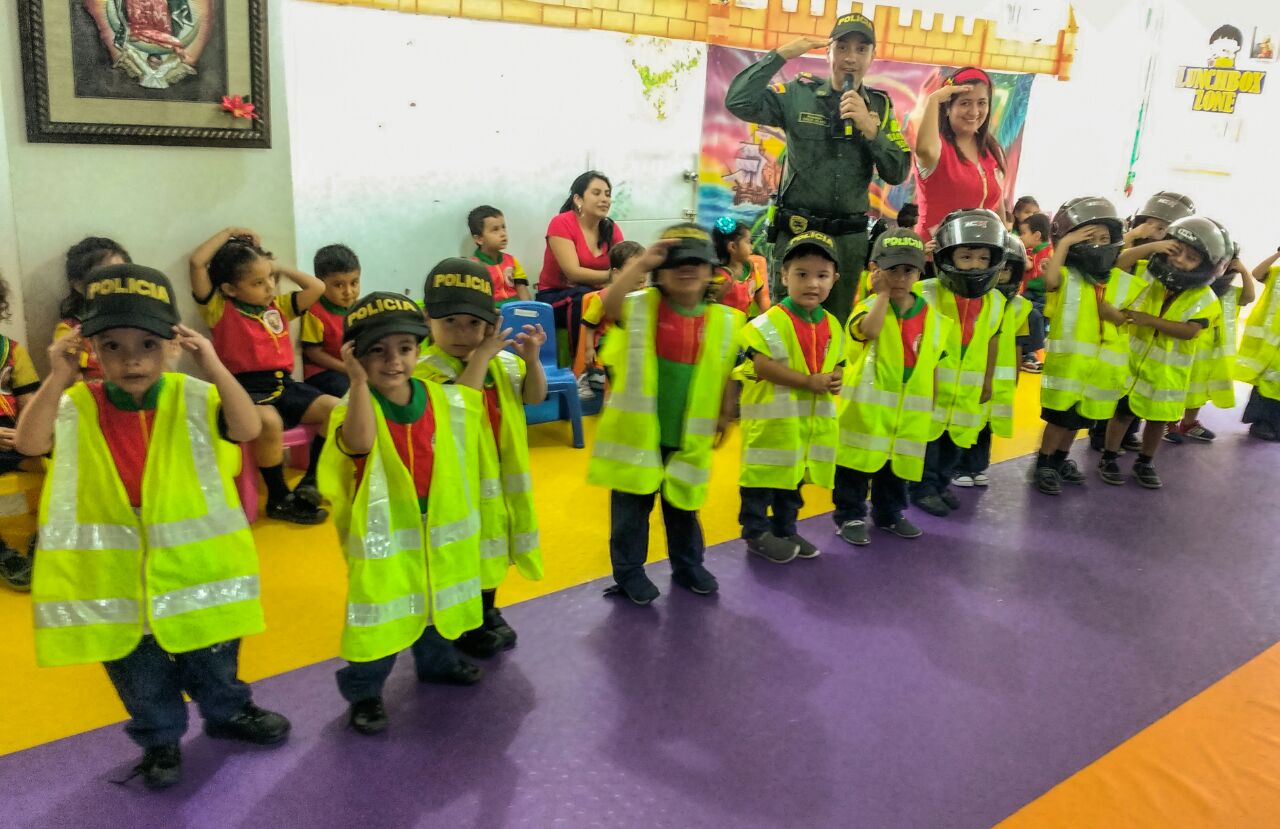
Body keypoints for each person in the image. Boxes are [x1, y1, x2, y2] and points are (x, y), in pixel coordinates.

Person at [17, 265, 289, 789]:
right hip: (118, 580)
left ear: (171, 344)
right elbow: (30, 444)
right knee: (140, 679)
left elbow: (249, 427)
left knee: (215, 661)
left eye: (147, 344)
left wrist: (210, 360)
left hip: (196, 574)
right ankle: (160, 742)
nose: (131, 358)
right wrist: (57, 376)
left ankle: (230, 714)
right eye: (112, 346)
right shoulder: (74, 404)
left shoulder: (194, 396)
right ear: (90, 348)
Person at [317, 292, 496, 736]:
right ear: (356, 357)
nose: (393, 361)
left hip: (437, 531)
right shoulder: (353, 405)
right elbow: (358, 443)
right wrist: (357, 383)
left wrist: (486, 354)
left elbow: (467, 398)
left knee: (439, 608)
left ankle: (437, 664)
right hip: (387, 541)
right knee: (380, 621)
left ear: (419, 351)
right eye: (376, 351)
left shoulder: (438, 397)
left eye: (404, 349)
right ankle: (364, 692)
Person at [587, 224, 744, 605]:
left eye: (697, 262)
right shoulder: (641, 307)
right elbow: (608, 306)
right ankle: (628, 574)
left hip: (688, 437)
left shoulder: (724, 321)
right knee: (629, 516)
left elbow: (726, 371)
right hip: (637, 437)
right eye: (676, 263)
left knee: (684, 508)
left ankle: (688, 565)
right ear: (659, 272)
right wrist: (642, 260)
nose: (687, 269)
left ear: (712, 271)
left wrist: (725, 413)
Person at [725, 12, 912, 322]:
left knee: (834, 328)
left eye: (861, 49)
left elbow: (898, 171)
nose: (851, 58)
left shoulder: (880, 106)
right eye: (842, 47)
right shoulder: (799, 95)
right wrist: (782, 55)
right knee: (788, 326)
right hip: (798, 230)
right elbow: (738, 101)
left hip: (847, 241)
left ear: (873, 56)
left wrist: (871, 130)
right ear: (828, 52)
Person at [415, 258, 546, 659]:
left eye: (472, 324)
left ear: (489, 323)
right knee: (462, 557)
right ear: (427, 319)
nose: (460, 333)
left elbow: (534, 397)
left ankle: (487, 610)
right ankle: (465, 624)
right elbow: (460, 406)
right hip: (457, 490)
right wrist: (480, 358)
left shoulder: (503, 363)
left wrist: (533, 360)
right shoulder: (424, 372)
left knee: (494, 552)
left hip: (499, 487)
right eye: (449, 321)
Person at [190, 227, 339, 524]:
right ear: (231, 288)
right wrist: (230, 232)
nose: (269, 286)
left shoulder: (278, 307)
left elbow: (317, 288)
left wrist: (276, 266)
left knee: (337, 409)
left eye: (270, 279)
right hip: (245, 390)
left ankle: (311, 479)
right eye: (258, 282)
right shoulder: (219, 308)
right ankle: (279, 497)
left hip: (285, 386)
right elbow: (197, 263)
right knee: (268, 422)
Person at [735, 231, 843, 563]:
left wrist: (836, 379)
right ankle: (756, 533)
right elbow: (764, 367)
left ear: (835, 279)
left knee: (792, 485)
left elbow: (838, 363)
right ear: (784, 275)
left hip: (804, 430)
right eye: (802, 274)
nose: (813, 283)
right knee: (760, 485)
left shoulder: (833, 325)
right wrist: (808, 382)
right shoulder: (767, 324)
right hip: (770, 429)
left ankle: (785, 528)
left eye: (822, 276)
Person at [833, 228, 946, 545]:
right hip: (866, 412)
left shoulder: (931, 316)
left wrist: (932, 400)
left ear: (919, 272)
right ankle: (850, 515)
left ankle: (889, 514)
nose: (900, 278)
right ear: (874, 271)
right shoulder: (867, 307)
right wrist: (881, 295)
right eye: (891, 270)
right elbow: (869, 331)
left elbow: (933, 360)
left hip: (909, 413)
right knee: (855, 468)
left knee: (895, 469)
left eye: (908, 270)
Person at [1099, 217, 1227, 488]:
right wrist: (1153, 247)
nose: (1180, 260)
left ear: (1205, 266)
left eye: (1191, 257)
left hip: (1167, 373)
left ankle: (1145, 461)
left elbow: (1190, 330)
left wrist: (1149, 320)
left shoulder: (1206, 298)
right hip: (1132, 367)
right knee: (1122, 414)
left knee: (1157, 421)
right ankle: (1109, 456)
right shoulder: (1148, 273)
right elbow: (1121, 263)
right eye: (1176, 251)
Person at [1032, 196, 1147, 495]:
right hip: (1068, 370)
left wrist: (1114, 315)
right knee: (1059, 421)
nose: (1098, 244)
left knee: (1076, 424)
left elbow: (1123, 317)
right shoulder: (1069, 277)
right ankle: (1044, 463)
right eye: (1089, 237)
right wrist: (1065, 244)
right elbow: (1050, 280)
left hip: (1095, 373)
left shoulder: (1114, 280)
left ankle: (1059, 460)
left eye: (1104, 238)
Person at [909, 209, 1007, 517]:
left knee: (956, 442)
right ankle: (922, 488)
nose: (975, 265)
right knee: (928, 443)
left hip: (967, 391)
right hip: (931, 390)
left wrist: (988, 381)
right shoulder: (923, 292)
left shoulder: (996, 302)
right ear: (947, 257)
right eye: (966, 257)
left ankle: (940, 485)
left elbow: (992, 340)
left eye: (982, 258)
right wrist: (917, 262)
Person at [955, 234, 1033, 487]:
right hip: (971, 377)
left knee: (984, 428)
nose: (1001, 276)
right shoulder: (973, 302)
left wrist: (1015, 378)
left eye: (1007, 271)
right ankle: (958, 468)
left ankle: (977, 467)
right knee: (963, 423)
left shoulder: (1020, 307)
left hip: (997, 383)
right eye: (998, 270)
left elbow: (1020, 344)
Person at [1170, 231, 1255, 444]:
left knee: (1198, 390)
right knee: (1176, 387)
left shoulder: (1229, 293)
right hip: (1187, 347)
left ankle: (1188, 423)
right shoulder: (1194, 287)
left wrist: (1243, 270)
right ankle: (1168, 423)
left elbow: (1249, 297)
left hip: (1211, 353)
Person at [537, 171, 625, 361]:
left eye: (608, 194)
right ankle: (583, 367)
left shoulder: (611, 228)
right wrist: (613, 277)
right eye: (596, 193)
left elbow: (624, 265)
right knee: (582, 296)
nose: (604, 199)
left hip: (594, 295)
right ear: (578, 198)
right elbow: (573, 273)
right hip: (554, 297)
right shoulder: (561, 223)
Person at [915, 67, 1007, 241]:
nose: (974, 112)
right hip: (934, 255)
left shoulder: (991, 149)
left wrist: (1005, 245)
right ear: (948, 107)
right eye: (965, 103)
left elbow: (997, 203)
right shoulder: (938, 147)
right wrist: (934, 100)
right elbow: (924, 150)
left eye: (981, 103)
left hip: (979, 255)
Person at [0, 275, 42, 591]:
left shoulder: (12, 352)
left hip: (13, 441)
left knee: (60, 460)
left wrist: (29, 436)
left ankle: (46, 534)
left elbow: (31, 405)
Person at [54, 237, 132, 382]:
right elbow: (73, 387)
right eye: (104, 276)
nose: (114, 283)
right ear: (77, 284)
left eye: (121, 274)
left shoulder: (142, 320)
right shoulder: (70, 331)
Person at [575, 240, 644, 395]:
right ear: (617, 272)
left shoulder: (645, 295)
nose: (641, 275)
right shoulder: (603, 297)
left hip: (632, 342)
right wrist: (589, 349)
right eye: (635, 269)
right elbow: (590, 324)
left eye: (644, 269)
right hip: (608, 342)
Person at [300, 243, 361, 399]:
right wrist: (346, 367)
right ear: (320, 284)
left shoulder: (360, 308)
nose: (348, 292)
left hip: (351, 367)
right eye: (339, 285)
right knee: (354, 392)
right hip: (323, 372)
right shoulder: (315, 312)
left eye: (354, 283)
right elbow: (313, 353)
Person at [1237, 248, 1280, 440]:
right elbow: (1257, 273)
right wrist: (1277, 254)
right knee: (1266, 383)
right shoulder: (1277, 273)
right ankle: (1262, 423)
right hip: (1269, 343)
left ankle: (1271, 425)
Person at [469, 205, 532, 305]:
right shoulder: (473, 267)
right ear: (479, 239)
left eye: (503, 227)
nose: (503, 233)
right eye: (495, 229)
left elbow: (523, 292)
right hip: (492, 314)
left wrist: (530, 311)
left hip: (516, 310)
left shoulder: (512, 261)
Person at [711, 217, 771, 318]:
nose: (751, 247)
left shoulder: (750, 269)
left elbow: (762, 299)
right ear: (733, 247)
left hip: (744, 327)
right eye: (748, 242)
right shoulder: (719, 276)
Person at [1016, 212, 1053, 373]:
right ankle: (1029, 352)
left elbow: (1045, 279)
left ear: (1037, 235)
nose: (1021, 237)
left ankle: (1030, 351)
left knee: (1040, 311)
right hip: (1025, 293)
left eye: (1024, 233)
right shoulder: (1032, 251)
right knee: (1034, 312)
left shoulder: (1047, 252)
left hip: (1037, 292)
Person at [1124, 191, 1195, 247]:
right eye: (1149, 224)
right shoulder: (1128, 240)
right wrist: (1132, 235)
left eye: (1161, 228)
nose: (1151, 230)